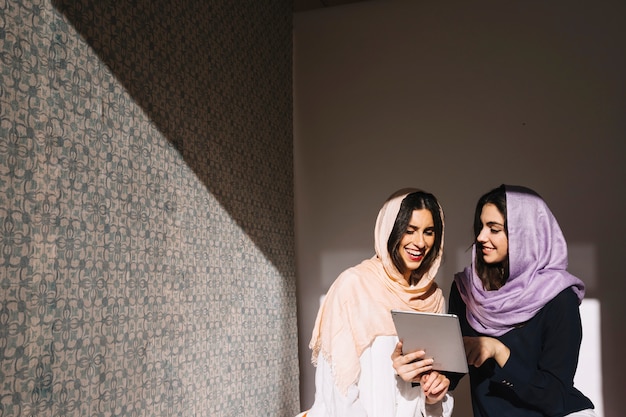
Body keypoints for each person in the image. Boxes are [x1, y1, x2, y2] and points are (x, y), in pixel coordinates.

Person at [448, 184, 596, 417]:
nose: (480, 237)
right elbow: (450, 370)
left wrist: (498, 351)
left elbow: (555, 395)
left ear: (524, 234)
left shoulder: (559, 298)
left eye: (494, 229)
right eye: (481, 226)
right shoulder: (465, 290)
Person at [304, 188, 454, 417]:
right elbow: (337, 391)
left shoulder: (433, 299)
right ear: (390, 229)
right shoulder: (352, 286)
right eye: (410, 230)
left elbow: (429, 395)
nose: (420, 242)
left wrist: (434, 396)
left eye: (429, 232)